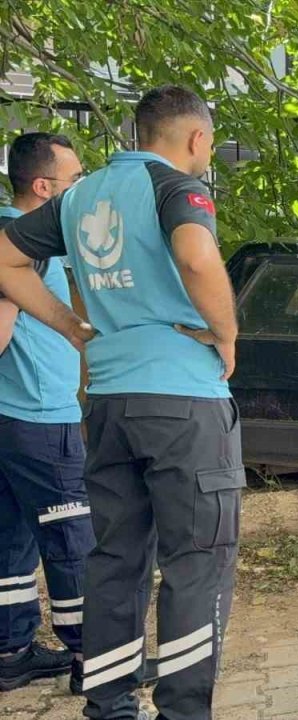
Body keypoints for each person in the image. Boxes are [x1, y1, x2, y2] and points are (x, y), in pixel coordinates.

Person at [0, 86, 241, 720]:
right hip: (185, 403)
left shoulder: (78, 197)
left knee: (114, 561)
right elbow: (196, 257)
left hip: (108, 402)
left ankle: (108, 706)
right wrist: (226, 332)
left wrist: (68, 325)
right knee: (196, 565)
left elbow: (4, 259)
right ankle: (182, 712)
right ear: (196, 138)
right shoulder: (177, 189)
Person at [0, 132, 92, 692]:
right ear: (43, 187)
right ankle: (94, 660)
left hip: (13, 419)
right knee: (71, 541)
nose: (80, 189)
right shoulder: (21, 244)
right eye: (74, 180)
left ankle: (11, 652)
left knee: (11, 539)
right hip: (38, 419)